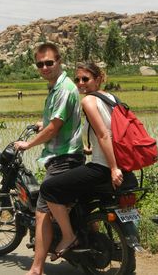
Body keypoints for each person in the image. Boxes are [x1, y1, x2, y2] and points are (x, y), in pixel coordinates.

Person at [40, 62, 130, 259]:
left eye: (86, 79)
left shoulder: (89, 101)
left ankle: (69, 236)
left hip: (103, 167)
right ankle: (90, 235)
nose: (81, 83)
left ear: (98, 79)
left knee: (49, 189)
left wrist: (113, 168)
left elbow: (105, 135)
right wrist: (90, 149)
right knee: (79, 199)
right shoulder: (112, 98)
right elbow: (113, 133)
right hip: (118, 164)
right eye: (78, 79)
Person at [14, 43, 84, 275]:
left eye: (49, 62)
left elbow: (55, 127)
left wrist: (28, 144)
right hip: (62, 157)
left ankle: (39, 266)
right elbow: (57, 120)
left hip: (63, 158)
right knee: (56, 207)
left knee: (42, 211)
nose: (44, 67)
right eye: (40, 64)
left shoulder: (63, 89)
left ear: (59, 62)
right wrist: (41, 124)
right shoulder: (56, 88)